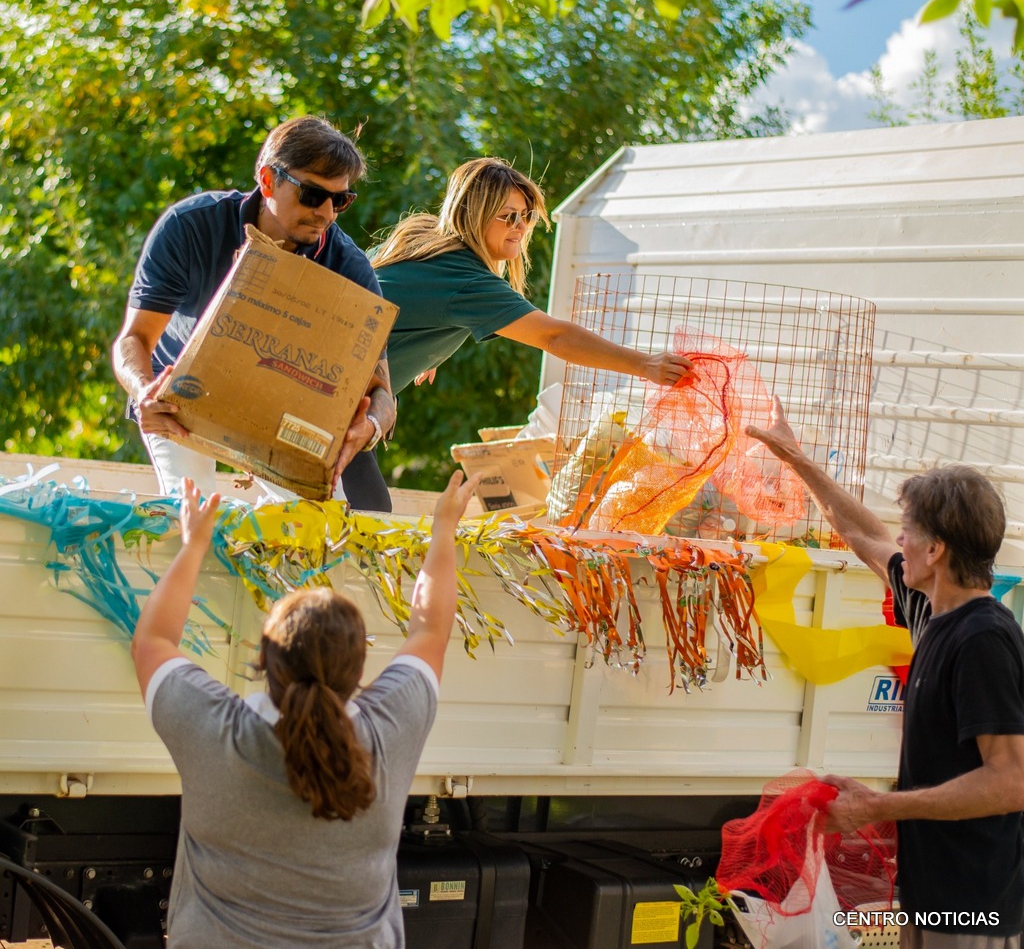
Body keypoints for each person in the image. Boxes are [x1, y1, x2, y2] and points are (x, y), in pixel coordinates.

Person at [130, 469, 480, 948]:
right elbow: (430, 631)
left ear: (262, 661)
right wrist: (444, 528)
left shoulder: (214, 731)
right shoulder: (386, 733)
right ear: (359, 675)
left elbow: (152, 640)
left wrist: (194, 545)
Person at [748, 396, 1024, 949]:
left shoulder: (983, 640)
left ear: (937, 549)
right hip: (932, 899)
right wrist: (797, 459)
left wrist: (879, 807)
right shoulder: (929, 610)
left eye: (909, 530)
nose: (899, 540)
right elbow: (860, 532)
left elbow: (1011, 781)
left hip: (976, 910)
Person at [112, 115, 396, 511]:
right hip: (181, 399)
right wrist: (143, 391)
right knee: (193, 513)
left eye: (341, 200)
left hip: (285, 406)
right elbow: (134, 340)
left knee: (334, 522)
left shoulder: (348, 266)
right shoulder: (190, 227)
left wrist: (369, 427)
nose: (327, 214)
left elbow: (382, 392)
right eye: (313, 195)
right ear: (267, 181)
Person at [370, 157, 693, 395]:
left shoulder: (420, 238)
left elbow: (401, 295)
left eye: (527, 215)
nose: (521, 227)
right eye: (508, 216)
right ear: (471, 215)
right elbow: (554, 336)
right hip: (338, 400)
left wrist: (428, 347)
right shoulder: (465, 279)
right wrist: (644, 365)